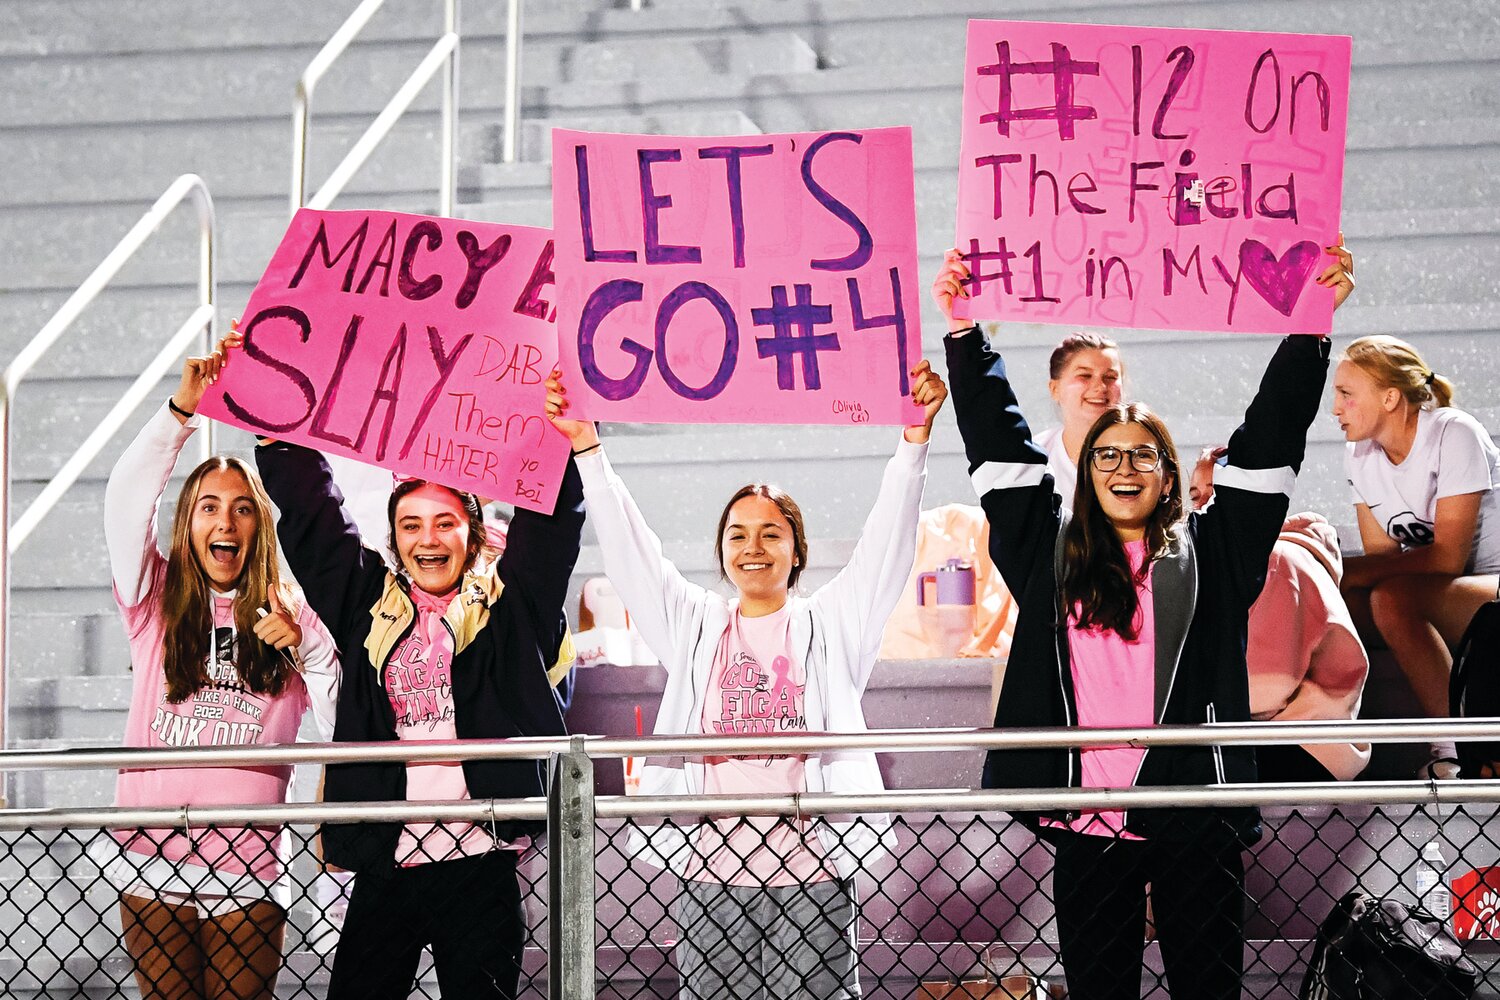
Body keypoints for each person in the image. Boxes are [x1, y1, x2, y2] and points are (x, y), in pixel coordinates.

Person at [934, 242, 1351, 1000]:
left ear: (1168, 473)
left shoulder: (1215, 553)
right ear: (1087, 472)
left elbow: (1269, 447)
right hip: (1090, 826)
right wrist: (965, 331)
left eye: (1143, 455)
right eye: (1107, 456)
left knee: (1208, 991)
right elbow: (999, 450)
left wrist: (1310, 331)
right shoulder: (1050, 554)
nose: (1124, 467)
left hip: (1194, 817)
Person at [546, 361, 947, 1000]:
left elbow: (886, 548)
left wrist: (913, 444)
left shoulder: (831, 626)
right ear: (722, 550)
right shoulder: (695, 626)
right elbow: (634, 553)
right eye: (737, 534)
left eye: (771, 533)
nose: (753, 546)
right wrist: (589, 450)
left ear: (797, 551)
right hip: (710, 877)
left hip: (813, 877)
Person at [255, 371, 585, 1000]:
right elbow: (315, 520)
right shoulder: (366, 604)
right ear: (395, 538)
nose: (427, 540)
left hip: (480, 861)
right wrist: (276, 429)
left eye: (444, 523)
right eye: (411, 525)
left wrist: (563, 442)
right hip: (388, 857)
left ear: (473, 532)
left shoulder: (511, 609)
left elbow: (552, 531)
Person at [102, 332, 339, 1000]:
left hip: (251, 863)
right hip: (150, 857)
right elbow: (124, 502)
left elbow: (342, 716)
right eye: (209, 506)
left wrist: (307, 647)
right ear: (188, 523)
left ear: (260, 529)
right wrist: (181, 411)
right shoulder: (155, 596)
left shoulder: (292, 611)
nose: (225, 520)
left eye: (243, 508)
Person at [1333, 334, 1500, 778]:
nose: (1335, 408)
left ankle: (1458, 750)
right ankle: (1329, 754)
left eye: (1346, 394)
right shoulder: (1360, 453)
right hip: (1449, 591)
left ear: (1390, 397)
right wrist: (1342, 578)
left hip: (1493, 585)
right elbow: (1384, 559)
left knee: (1391, 598)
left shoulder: (1453, 431)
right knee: (1341, 607)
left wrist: (1346, 569)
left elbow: (1446, 558)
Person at [1191, 450, 1371, 782]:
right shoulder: (1241, 561)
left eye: (1214, 495)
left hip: (1305, 743)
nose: (1202, 509)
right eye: (1195, 497)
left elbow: (1270, 688)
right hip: (1281, 734)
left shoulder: (1277, 560)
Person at [1036, 332, 1126, 509]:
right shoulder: (1034, 458)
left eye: (1110, 377)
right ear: (1055, 388)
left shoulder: (1145, 455)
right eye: (1084, 376)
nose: (1100, 387)